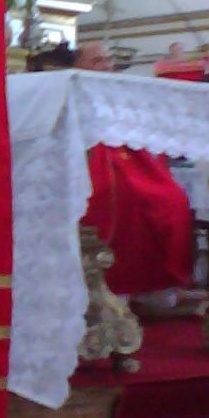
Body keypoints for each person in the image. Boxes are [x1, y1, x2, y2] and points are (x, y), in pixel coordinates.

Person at [75, 42, 194, 299]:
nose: (106, 66)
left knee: (172, 198)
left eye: (108, 60)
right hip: (90, 157)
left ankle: (155, 288)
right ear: (78, 65)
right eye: (97, 61)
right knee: (121, 196)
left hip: (128, 153)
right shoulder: (71, 88)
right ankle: (112, 287)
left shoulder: (122, 92)